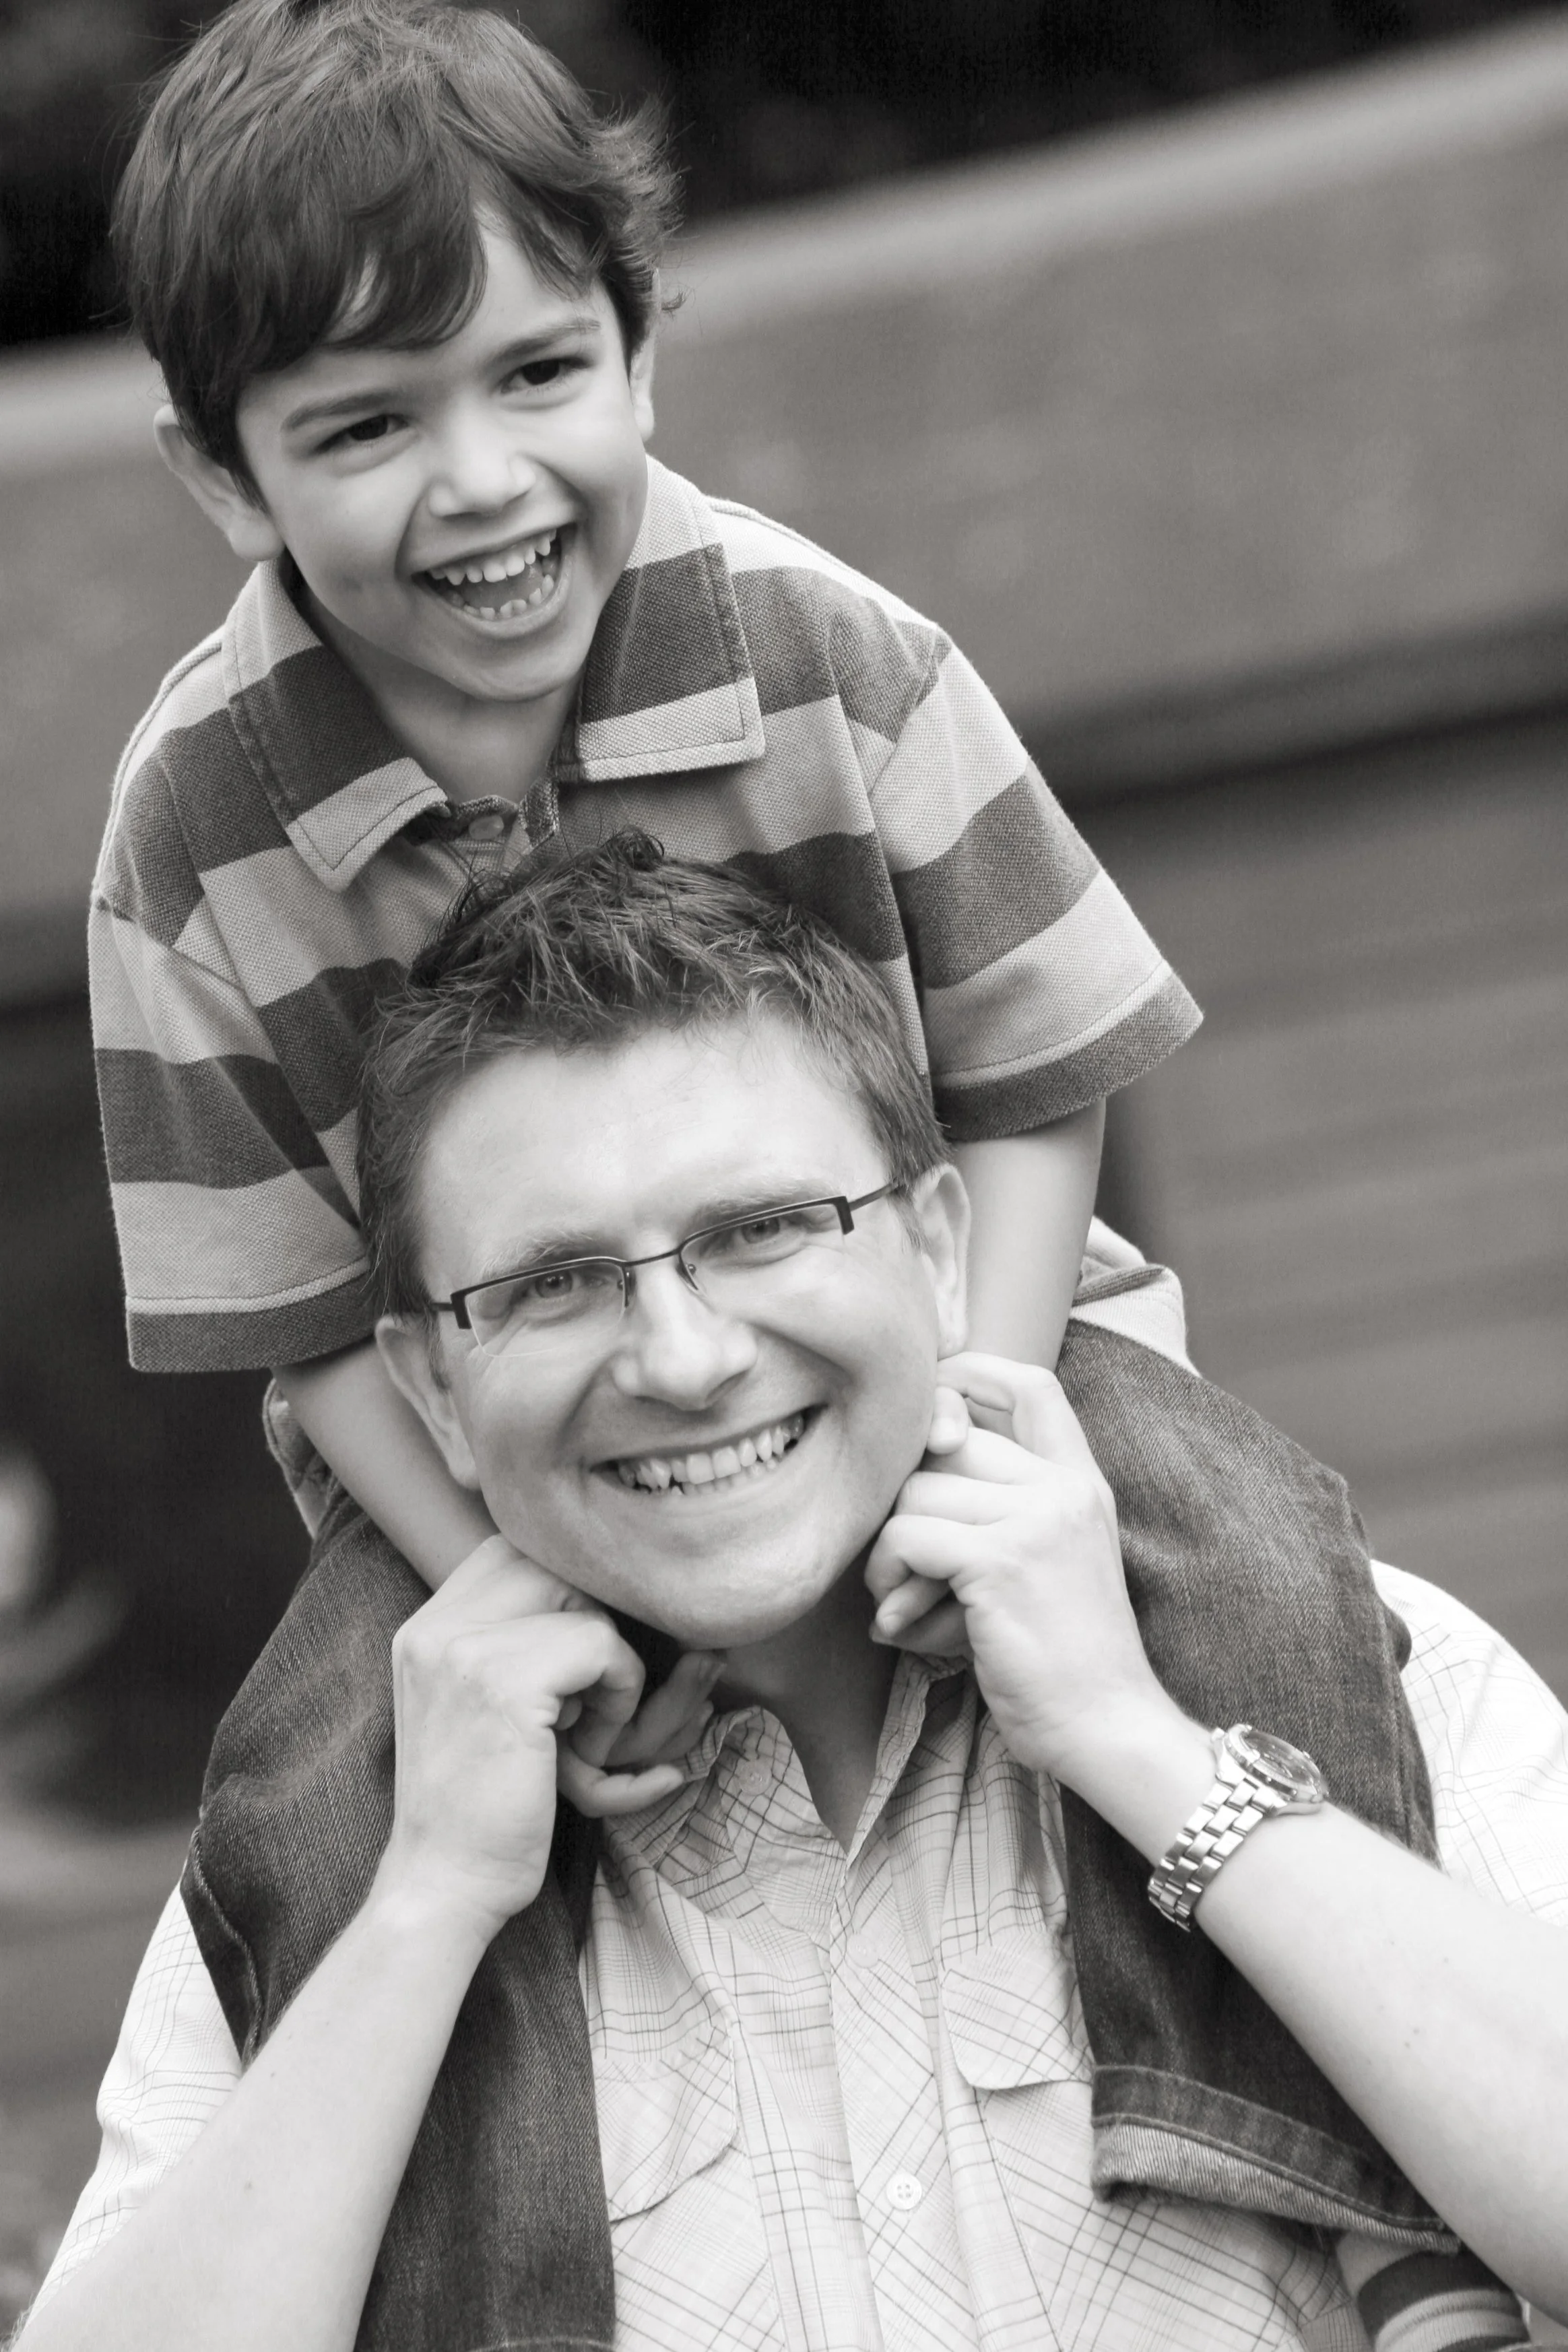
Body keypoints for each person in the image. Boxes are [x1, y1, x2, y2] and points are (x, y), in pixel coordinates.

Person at [86, 0, 1479, 2295]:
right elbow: (307, 1318)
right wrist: (499, 1581)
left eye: (539, 375)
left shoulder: (829, 653)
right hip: (489, 1442)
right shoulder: (187, 836)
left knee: (1238, 1558)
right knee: (324, 1779)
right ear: (223, 476)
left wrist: (970, 1417)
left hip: (953, 1319)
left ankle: (1345, 2202)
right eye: (361, 424)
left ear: (643, 347)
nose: (478, 482)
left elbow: (1040, 1074)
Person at [28, 840, 1565, 2352]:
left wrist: (1134, 1744)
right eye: (551, 1283)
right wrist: (426, 1908)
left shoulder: (1354, 1662)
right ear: (433, 1390)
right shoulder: (344, 1848)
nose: (684, 1361)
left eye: (760, 1230)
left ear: (942, 1249)